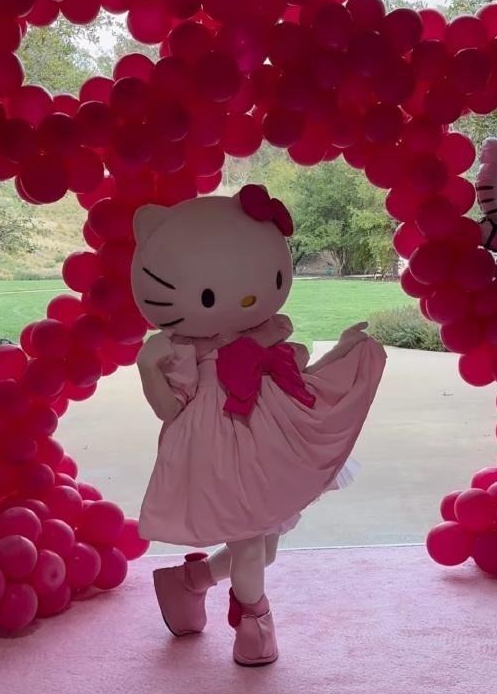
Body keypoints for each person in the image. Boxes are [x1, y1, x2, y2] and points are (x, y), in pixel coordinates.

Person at [131, 185, 386, 666]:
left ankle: (189, 582)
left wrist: (343, 350)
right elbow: (168, 410)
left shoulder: (266, 336)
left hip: (268, 444)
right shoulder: (185, 352)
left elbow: (297, 380)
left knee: (264, 548)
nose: (248, 295)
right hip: (218, 449)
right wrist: (148, 367)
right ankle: (255, 626)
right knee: (250, 545)